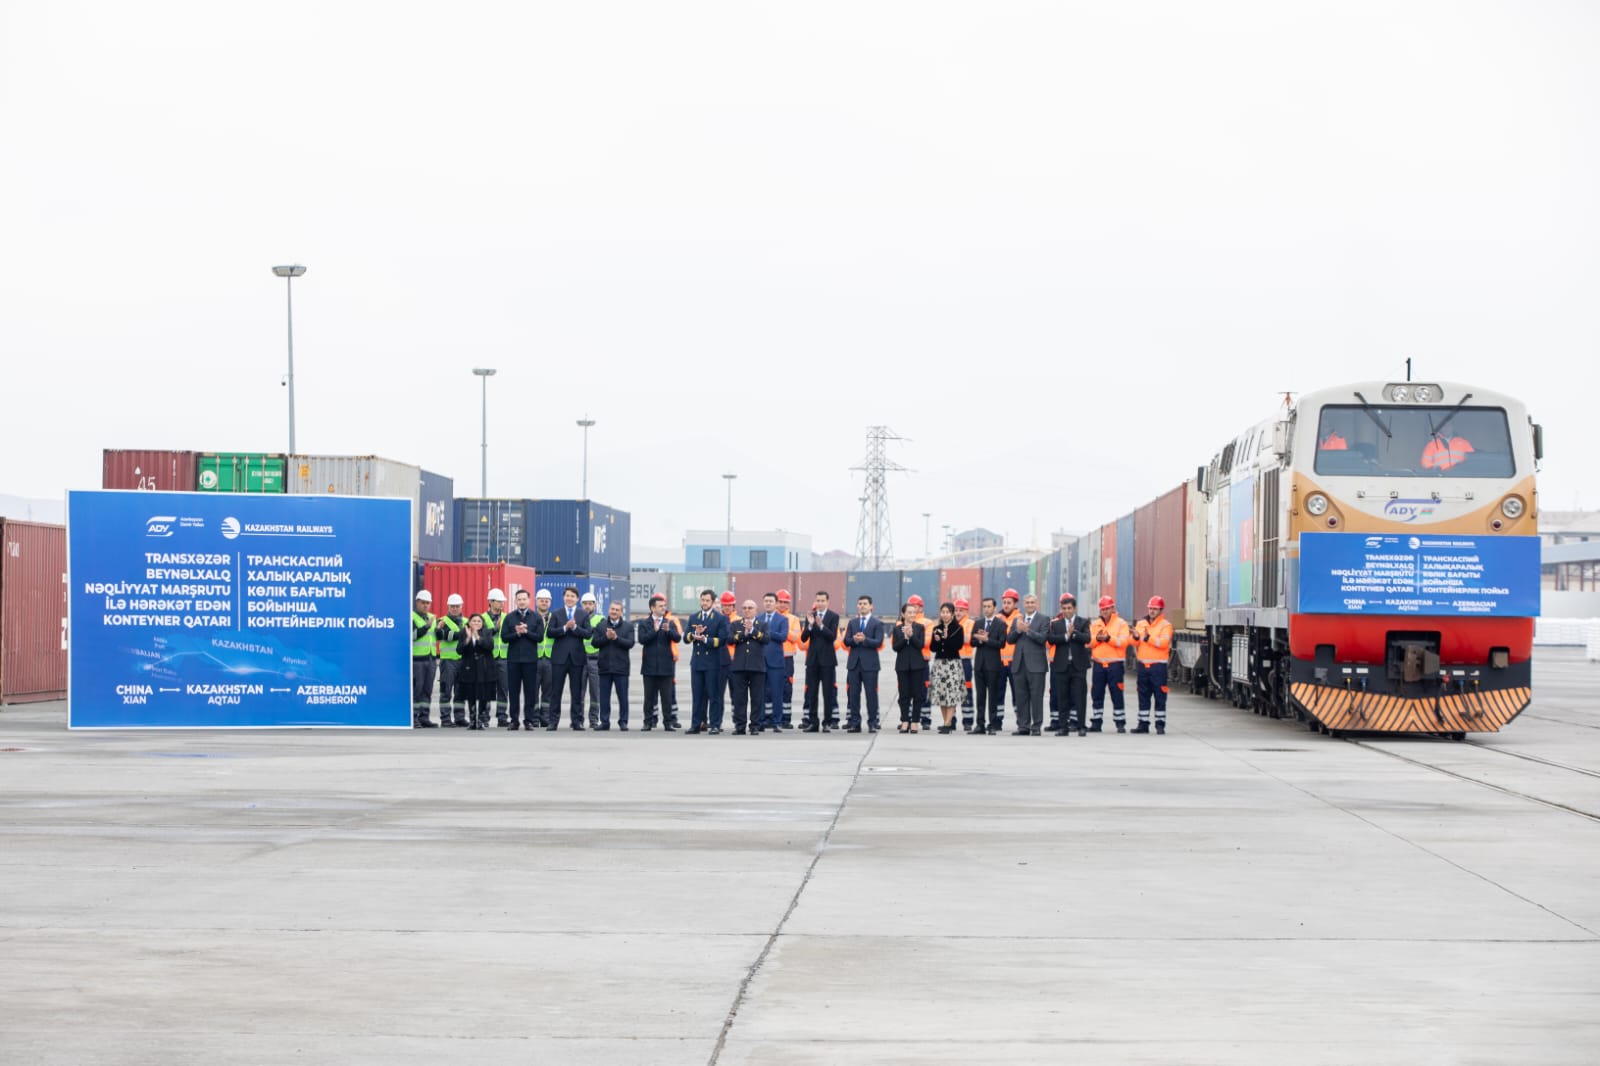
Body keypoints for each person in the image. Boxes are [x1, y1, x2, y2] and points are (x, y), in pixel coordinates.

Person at [547, 586, 593, 730]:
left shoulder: (583, 614)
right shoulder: (556, 614)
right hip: (559, 659)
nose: (569, 598)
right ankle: (553, 721)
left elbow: (588, 634)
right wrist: (565, 628)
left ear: (577, 599)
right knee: (556, 691)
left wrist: (574, 628)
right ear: (563, 597)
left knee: (577, 692)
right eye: (567, 595)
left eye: (572, 596)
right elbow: (549, 632)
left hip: (577, 658)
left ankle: (576, 721)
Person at [685, 589, 730, 734]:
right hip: (697, 662)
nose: (704, 603)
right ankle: (696, 724)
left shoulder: (720, 618)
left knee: (714, 695)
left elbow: (722, 640)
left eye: (707, 600)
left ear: (713, 602)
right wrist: (695, 634)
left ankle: (715, 724)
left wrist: (705, 639)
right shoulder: (694, 617)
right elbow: (685, 638)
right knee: (697, 695)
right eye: (702, 600)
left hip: (712, 663)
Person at [1047, 594, 1091, 736]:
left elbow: (1087, 638)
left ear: (1075, 608)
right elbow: (1051, 639)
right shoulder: (1056, 624)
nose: (1066, 611)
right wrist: (1066, 636)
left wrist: (1074, 633)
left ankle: (1081, 726)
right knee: (1062, 697)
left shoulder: (1083, 622)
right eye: (1064, 608)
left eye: (1069, 608)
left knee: (1079, 697)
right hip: (1061, 666)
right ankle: (1063, 727)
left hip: (1078, 666)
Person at [501, 589, 544, 730]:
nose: (521, 602)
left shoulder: (536, 617)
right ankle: (514, 720)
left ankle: (529, 720)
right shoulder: (509, 617)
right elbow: (504, 637)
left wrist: (527, 632)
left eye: (524, 599)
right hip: (513, 660)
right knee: (513, 691)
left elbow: (539, 637)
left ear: (529, 600)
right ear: (515, 601)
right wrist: (517, 633)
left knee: (530, 691)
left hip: (530, 660)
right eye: (519, 599)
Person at [1008, 593, 1050, 735]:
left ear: (1036, 604)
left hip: (1036, 665)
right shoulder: (1017, 620)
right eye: (1027, 602)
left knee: (1036, 697)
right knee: (1021, 696)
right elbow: (1010, 639)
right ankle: (1023, 726)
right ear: (1023, 604)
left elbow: (1042, 638)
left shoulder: (1044, 619)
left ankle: (1036, 726)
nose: (1030, 605)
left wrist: (1028, 631)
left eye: (1032, 602)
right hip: (1019, 664)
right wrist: (1018, 630)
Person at [1131, 595, 1174, 734]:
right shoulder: (1141, 624)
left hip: (1158, 667)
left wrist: (1148, 638)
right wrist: (1135, 637)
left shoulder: (1166, 625)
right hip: (1143, 666)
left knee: (1160, 695)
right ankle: (1143, 724)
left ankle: (1160, 725)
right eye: (1150, 608)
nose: (1152, 611)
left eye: (1155, 609)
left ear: (1161, 610)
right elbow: (1134, 642)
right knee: (1143, 695)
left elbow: (1164, 643)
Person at [637, 595, 681, 731]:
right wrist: (654, 631)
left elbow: (678, 638)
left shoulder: (669, 622)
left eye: (664, 606)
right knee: (649, 698)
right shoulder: (644, 623)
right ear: (652, 608)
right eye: (660, 606)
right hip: (649, 667)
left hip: (666, 667)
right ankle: (647, 722)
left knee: (666, 698)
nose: (663, 608)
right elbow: (642, 639)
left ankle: (668, 723)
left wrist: (668, 631)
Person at [799, 591, 840, 732]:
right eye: (818, 600)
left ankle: (827, 722)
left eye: (823, 600)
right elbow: (803, 638)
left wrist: (821, 626)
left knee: (828, 693)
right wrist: (810, 626)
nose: (820, 603)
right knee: (812, 693)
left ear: (827, 602)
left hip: (827, 660)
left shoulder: (833, 616)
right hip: (812, 660)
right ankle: (813, 722)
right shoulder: (811, 616)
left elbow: (832, 636)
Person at [1089, 595, 1131, 732]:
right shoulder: (1095, 624)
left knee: (1117, 693)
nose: (1105, 611)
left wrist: (1108, 639)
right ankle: (1096, 722)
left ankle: (1120, 723)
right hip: (1099, 664)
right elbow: (1088, 642)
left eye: (1107, 609)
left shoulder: (1121, 623)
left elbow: (1124, 642)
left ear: (1113, 608)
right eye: (1103, 609)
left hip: (1115, 665)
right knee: (1096, 693)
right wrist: (1098, 638)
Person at [592, 599, 635, 731]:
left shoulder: (628, 627)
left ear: (621, 612)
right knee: (604, 697)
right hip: (604, 667)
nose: (614, 612)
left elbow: (630, 643)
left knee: (623, 697)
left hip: (621, 667)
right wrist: (606, 637)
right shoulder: (601, 625)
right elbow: (594, 643)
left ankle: (623, 721)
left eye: (617, 610)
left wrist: (616, 638)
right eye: (612, 609)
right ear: (608, 610)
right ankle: (605, 721)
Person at [844, 595, 885, 733]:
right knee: (853, 694)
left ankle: (873, 722)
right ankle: (855, 723)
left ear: (871, 606)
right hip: (854, 664)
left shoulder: (877, 623)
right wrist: (854, 640)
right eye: (860, 603)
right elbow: (846, 641)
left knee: (871, 694)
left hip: (870, 665)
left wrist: (864, 639)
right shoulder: (852, 623)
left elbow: (878, 642)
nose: (862, 606)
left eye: (865, 604)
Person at [726, 599, 767, 735]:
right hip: (740, 666)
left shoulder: (762, 624)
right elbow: (729, 639)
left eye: (750, 608)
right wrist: (743, 634)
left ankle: (755, 726)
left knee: (756, 698)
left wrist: (753, 631)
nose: (747, 610)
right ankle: (740, 726)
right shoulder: (735, 624)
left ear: (756, 610)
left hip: (757, 666)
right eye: (744, 608)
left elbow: (766, 639)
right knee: (739, 698)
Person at [968, 597, 1007, 734]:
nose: (986, 609)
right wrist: (979, 640)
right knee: (980, 695)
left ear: (995, 608)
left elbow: (1001, 644)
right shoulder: (978, 623)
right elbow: (972, 642)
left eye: (989, 606)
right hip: (979, 664)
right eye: (984, 606)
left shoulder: (1001, 624)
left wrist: (987, 640)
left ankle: (992, 724)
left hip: (993, 665)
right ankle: (980, 724)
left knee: (993, 696)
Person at [928, 602, 966, 734]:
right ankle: (946, 722)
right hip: (939, 664)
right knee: (942, 694)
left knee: (952, 694)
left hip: (952, 664)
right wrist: (937, 640)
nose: (944, 615)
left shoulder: (958, 628)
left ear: (952, 614)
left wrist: (946, 638)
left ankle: (947, 723)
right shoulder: (936, 628)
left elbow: (957, 646)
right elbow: (933, 648)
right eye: (942, 612)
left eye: (947, 612)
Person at [891, 601, 927, 733]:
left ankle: (915, 721)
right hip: (902, 665)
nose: (912, 614)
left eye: (914, 612)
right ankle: (905, 720)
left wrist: (912, 636)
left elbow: (920, 645)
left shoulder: (920, 627)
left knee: (917, 694)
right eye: (909, 612)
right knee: (903, 694)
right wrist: (905, 638)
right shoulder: (897, 629)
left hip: (917, 665)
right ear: (903, 614)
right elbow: (895, 647)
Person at [456, 612, 497, 730]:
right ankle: (473, 720)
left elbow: (490, 646)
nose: (476, 623)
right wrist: (468, 638)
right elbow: (459, 650)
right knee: (471, 693)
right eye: (474, 621)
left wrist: (478, 637)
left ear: (482, 623)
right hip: (469, 667)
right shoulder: (464, 633)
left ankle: (481, 720)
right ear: (469, 622)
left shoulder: (487, 632)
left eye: (479, 621)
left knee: (483, 694)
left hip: (484, 668)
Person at [435, 593, 468, 727]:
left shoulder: (467, 621)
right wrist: (461, 634)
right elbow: (444, 636)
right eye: (452, 606)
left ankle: (460, 718)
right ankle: (445, 719)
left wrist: (453, 634)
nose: (455, 608)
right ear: (448, 606)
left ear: (461, 606)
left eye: (457, 606)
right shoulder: (441, 621)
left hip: (463, 661)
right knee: (446, 691)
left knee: (461, 692)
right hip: (447, 662)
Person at [758, 593, 790, 732]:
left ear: (776, 603)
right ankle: (760, 721)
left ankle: (777, 722)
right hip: (760, 661)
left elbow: (783, 636)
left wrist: (766, 632)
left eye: (771, 601)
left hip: (776, 663)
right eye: (766, 601)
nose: (768, 603)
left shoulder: (782, 619)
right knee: (760, 694)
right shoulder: (758, 619)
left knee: (777, 694)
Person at [995, 589, 1022, 731]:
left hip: (1015, 663)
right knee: (998, 694)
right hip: (999, 662)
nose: (1006, 605)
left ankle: (1021, 722)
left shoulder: (1020, 618)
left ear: (1015, 604)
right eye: (1004, 602)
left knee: (1018, 694)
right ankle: (996, 722)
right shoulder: (997, 618)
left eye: (1009, 602)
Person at [411, 590, 438, 729]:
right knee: (417, 690)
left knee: (427, 690)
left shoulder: (432, 618)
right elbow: (413, 635)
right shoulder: (412, 617)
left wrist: (439, 630)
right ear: (417, 602)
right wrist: (427, 626)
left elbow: (436, 637)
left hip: (431, 658)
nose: (425, 605)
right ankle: (414, 717)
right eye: (423, 603)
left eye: (428, 603)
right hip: (417, 660)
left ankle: (424, 717)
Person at [776, 589, 803, 726]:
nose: (782, 604)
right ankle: (771, 718)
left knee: (787, 688)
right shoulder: (771, 617)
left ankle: (786, 719)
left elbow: (795, 637)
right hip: (772, 658)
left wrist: (782, 629)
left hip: (787, 659)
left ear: (789, 604)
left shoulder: (794, 619)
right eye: (780, 601)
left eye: (785, 602)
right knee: (770, 688)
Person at [484, 588, 510, 727]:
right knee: (487, 688)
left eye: (502, 601)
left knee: (503, 689)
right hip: (488, 658)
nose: (501, 603)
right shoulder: (482, 618)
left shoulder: (507, 617)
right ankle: (484, 717)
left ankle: (502, 717)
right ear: (490, 601)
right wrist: (495, 628)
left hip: (504, 658)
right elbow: (481, 635)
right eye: (499, 601)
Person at [580, 591, 606, 729]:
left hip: (595, 659)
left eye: (590, 604)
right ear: (581, 605)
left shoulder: (601, 619)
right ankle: (578, 719)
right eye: (585, 604)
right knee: (579, 692)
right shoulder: (577, 618)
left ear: (594, 605)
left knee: (595, 692)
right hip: (580, 659)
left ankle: (593, 719)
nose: (587, 606)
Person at [533, 589, 556, 728]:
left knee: (548, 691)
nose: (544, 602)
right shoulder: (531, 617)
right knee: (533, 690)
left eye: (546, 600)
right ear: (536, 601)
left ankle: (545, 717)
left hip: (550, 659)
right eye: (541, 600)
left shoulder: (555, 618)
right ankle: (534, 717)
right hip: (534, 658)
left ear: (550, 602)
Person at [953, 598, 976, 730]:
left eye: (961, 610)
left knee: (966, 691)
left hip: (964, 661)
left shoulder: (970, 623)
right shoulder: (949, 622)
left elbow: (969, 638)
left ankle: (968, 721)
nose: (958, 613)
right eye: (956, 610)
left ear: (966, 611)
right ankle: (951, 720)